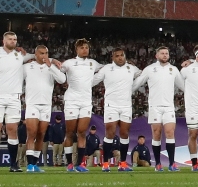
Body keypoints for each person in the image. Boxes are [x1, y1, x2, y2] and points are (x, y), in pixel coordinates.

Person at [0, 31, 33, 172]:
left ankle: (13, 165)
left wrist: (53, 60)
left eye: (15, 39)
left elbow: (37, 55)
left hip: (14, 98)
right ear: (4, 41)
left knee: (12, 130)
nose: (13, 41)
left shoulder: (20, 55)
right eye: (10, 39)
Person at [132, 45, 182, 171]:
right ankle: (158, 164)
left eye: (166, 53)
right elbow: (137, 83)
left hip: (169, 106)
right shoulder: (150, 69)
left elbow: (184, 86)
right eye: (162, 53)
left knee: (170, 132)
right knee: (156, 134)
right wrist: (126, 92)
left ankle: (171, 163)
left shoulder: (174, 69)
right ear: (157, 56)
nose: (165, 55)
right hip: (155, 106)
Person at [92, 47, 140, 172]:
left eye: (121, 55)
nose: (120, 58)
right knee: (110, 133)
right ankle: (106, 163)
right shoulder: (107, 69)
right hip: (111, 105)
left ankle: (122, 163)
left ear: (125, 56)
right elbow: (93, 81)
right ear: (113, 58)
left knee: (124, 134)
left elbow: (144, 75)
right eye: (117, 56)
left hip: (126, 106)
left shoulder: (131, 68)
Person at [60, 39, 102, 172]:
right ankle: (69, 164)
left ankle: (80, 164)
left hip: (86, 102)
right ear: (77, 50)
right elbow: (60, 70)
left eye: (87, 48)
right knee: (70, 133)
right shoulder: (70, 63)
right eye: (82, 48)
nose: (85, 50)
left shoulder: (92, 63)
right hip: (72, 100)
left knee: (82, 132)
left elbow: (106, 68)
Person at [23, 44, 65, 172]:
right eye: (41, 53)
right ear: (35, 54)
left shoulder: (51, 68)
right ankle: (29, 164)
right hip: (32, 104)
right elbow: (17, 79)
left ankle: (34, 164)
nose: (44, 56)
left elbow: (62, 80)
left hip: (46, 105)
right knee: (32, 133)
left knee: (41, 134)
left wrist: (51, 65)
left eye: (46, 53)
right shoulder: (27, 67)